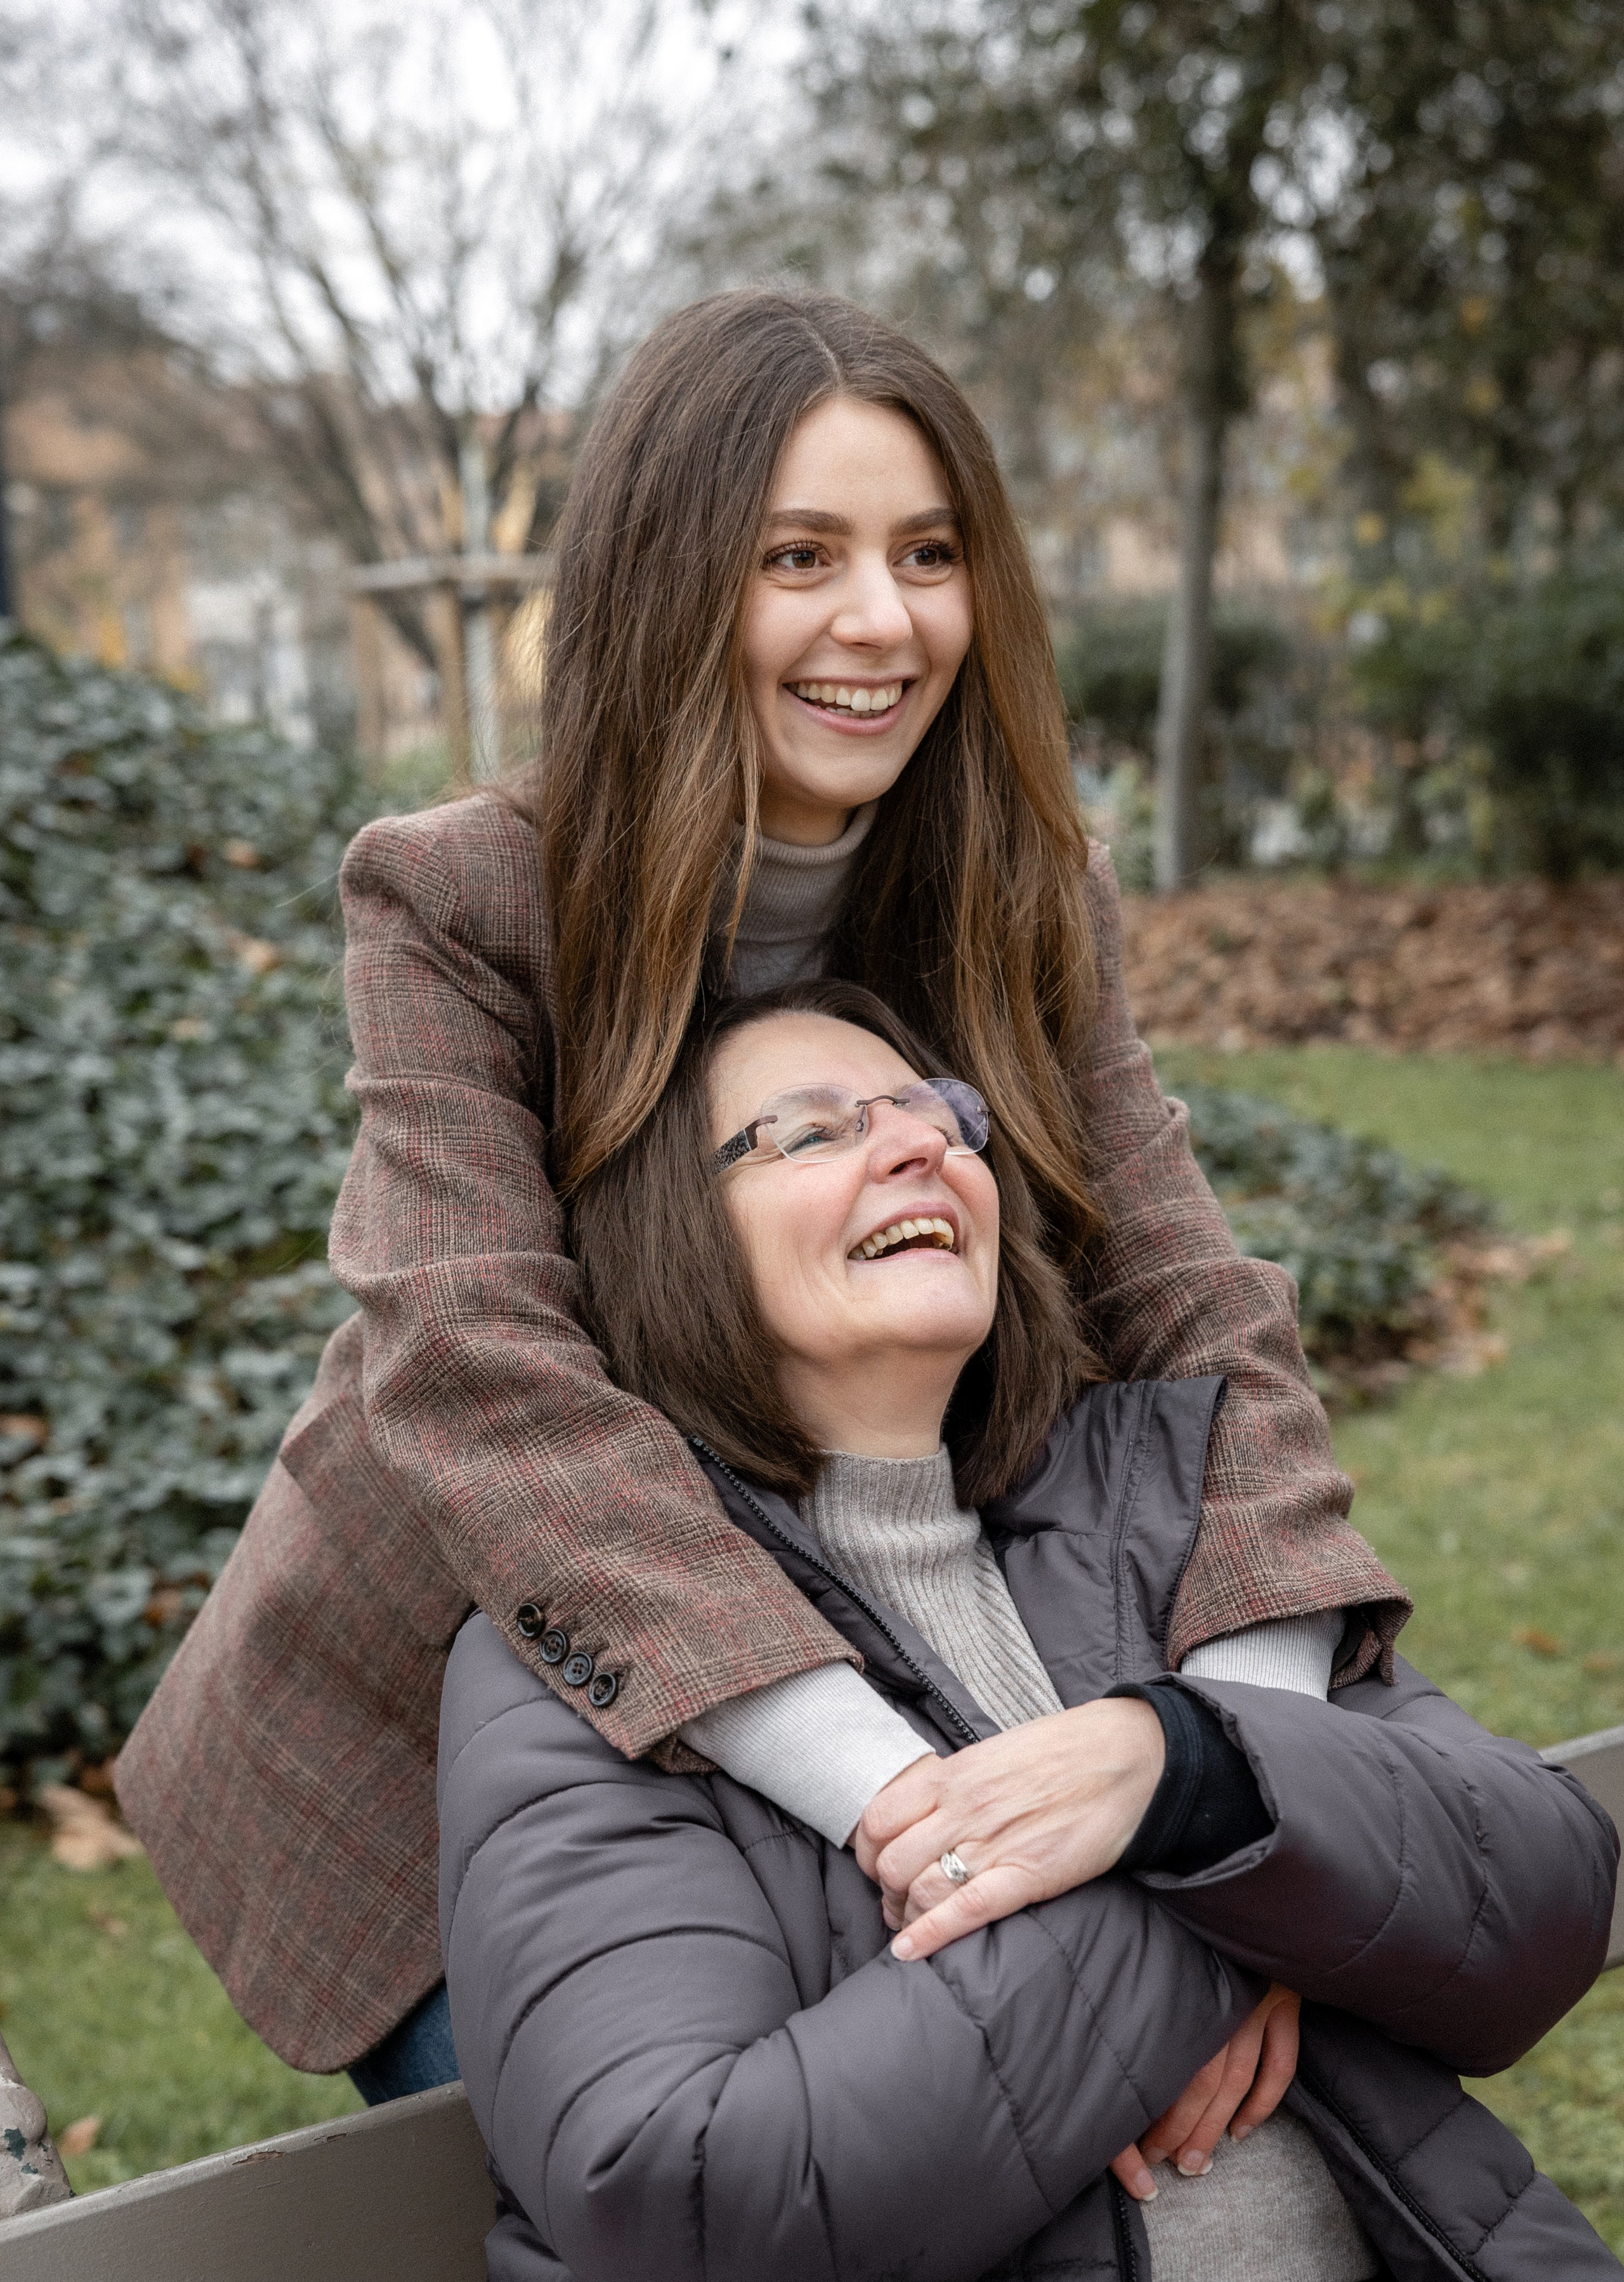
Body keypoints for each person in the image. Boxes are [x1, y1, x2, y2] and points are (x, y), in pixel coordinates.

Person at [117, 288, 1406, 2096]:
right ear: (668, 584)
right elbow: (481, 1372)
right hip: (481, 1706)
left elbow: (1196, 1315)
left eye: (928, 553)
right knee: (763, 2190)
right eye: (799, 555)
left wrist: (1238, 1817)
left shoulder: (1027, 890)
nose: (882, 620)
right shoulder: (463, 902)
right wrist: (921, 1818)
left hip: (905, 1633)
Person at [441, 983, 1623, 2282]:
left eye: (936, 1116)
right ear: (670, 1241)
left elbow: (1539, 1895)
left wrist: (1181, 1766)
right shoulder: (593, 1668)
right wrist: (1213, 1849)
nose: (916, 1147)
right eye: (809, 1132)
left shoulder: (1154, 1517)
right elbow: (704, 2199)